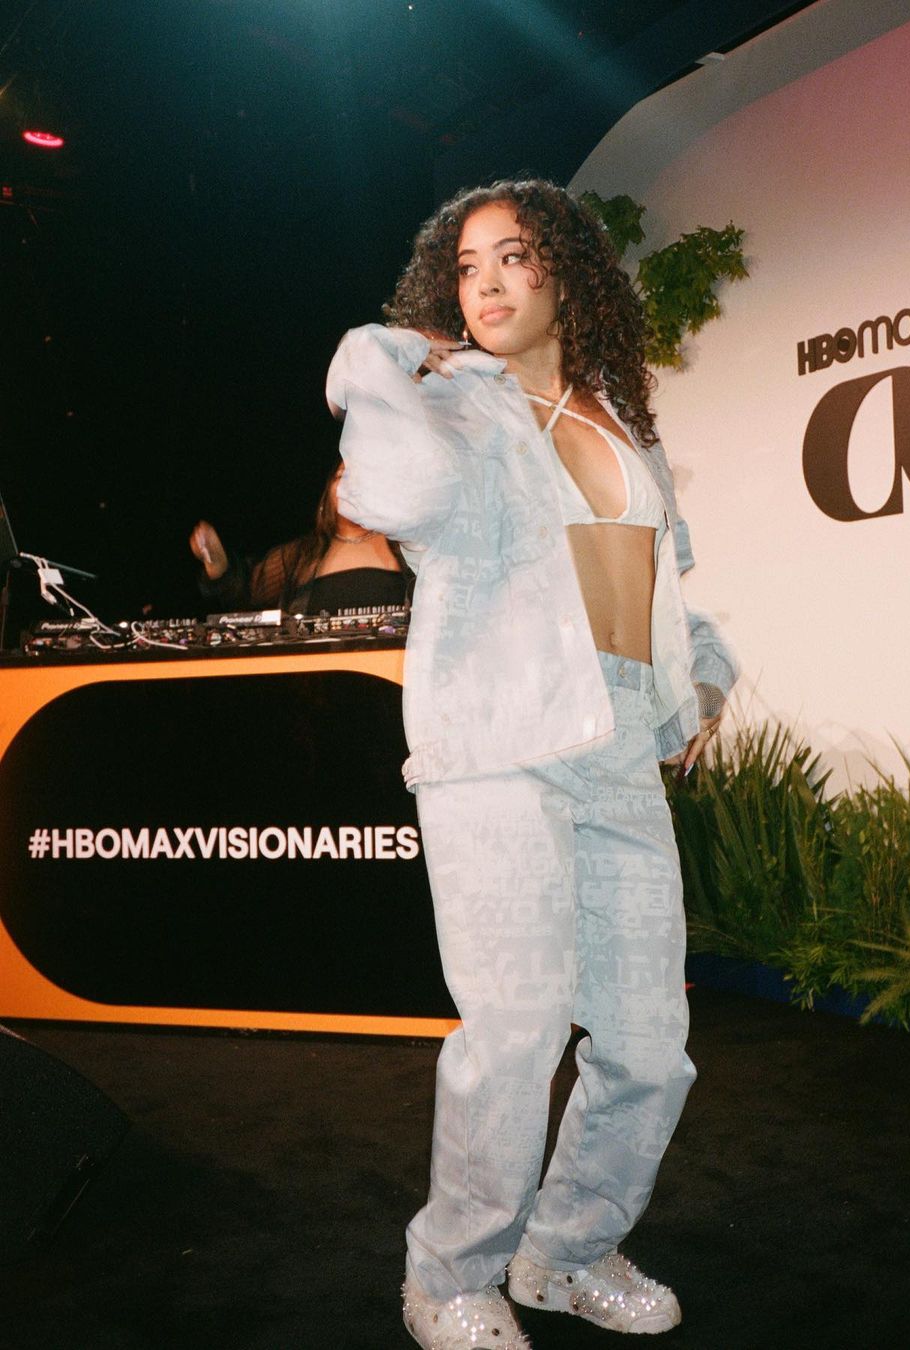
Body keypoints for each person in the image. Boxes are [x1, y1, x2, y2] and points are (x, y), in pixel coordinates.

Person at [326, 179, 737, 1350]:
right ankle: (449, 1276)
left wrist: (700, 685)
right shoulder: (455, 405)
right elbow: (393, 496)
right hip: (500, 747)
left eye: (513, 256)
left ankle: (566, 1252)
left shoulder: (625, 424)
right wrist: (379, 360)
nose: (488, 282)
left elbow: (661, 590)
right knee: (515, 1032)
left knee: (649, 1046)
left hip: (617, 750)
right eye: (467, 267)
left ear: (567, 270)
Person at [188, 458, 409, 613]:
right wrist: (218, 561)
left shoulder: (407, 548)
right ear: (327, 497)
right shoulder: (301, 555)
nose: (351, 484)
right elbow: (245, 591)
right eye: (342, 476)